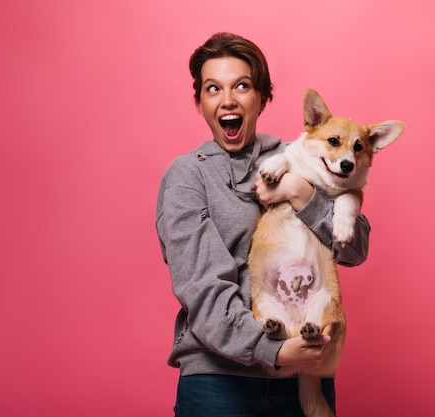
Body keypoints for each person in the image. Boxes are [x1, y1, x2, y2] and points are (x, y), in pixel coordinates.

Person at [155, 32, 371, 417]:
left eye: (242, 85)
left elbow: (354, 250)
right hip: (218, 383)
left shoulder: (305, 156)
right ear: (200, 102)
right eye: (212, 88)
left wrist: (301, 192)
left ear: (262, 97)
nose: (228, 100)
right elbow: (201, 286)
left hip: (303, 373)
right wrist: (272, 348)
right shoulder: (187, 176)